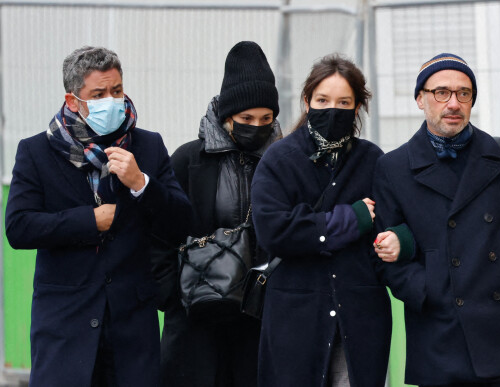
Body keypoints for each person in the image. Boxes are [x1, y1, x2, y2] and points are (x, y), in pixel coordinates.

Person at [372, 53, 500, 387]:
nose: (453, 103)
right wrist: (427, 288)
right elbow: (386, 254)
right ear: (420, 99)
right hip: (436, 336)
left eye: (464, 93)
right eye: (441, 92)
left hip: (496, 336)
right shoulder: (393, 168)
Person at [4, 46, 193, 386]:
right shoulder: (35, 151)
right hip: (65, 326)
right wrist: (89, 221)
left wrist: (141, 184)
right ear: (74, 100)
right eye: (99, 93)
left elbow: (181, 223)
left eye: (117, 91)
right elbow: (19, 227)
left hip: (132, 329)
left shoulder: (147, 146)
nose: (112, 100)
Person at [250, 54, 413, 387]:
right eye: (323, 100)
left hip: (361, 319)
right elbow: (273, 229)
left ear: (357, 108)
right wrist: (349, 220)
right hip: (295, 322)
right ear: (307, 102)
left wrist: (401, 241)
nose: (332, 109)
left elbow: (396, 226)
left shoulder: (373, 161)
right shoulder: (278, 159)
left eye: (344, 102)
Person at [152, 41, 282, 387]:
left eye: (266, 119)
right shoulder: (188, 160)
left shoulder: (284, 163)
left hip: (259, 321)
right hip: (196, 322)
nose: (257, 127)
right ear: (227, 117)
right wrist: (174, 297)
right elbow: (159, 233)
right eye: (246, 119)